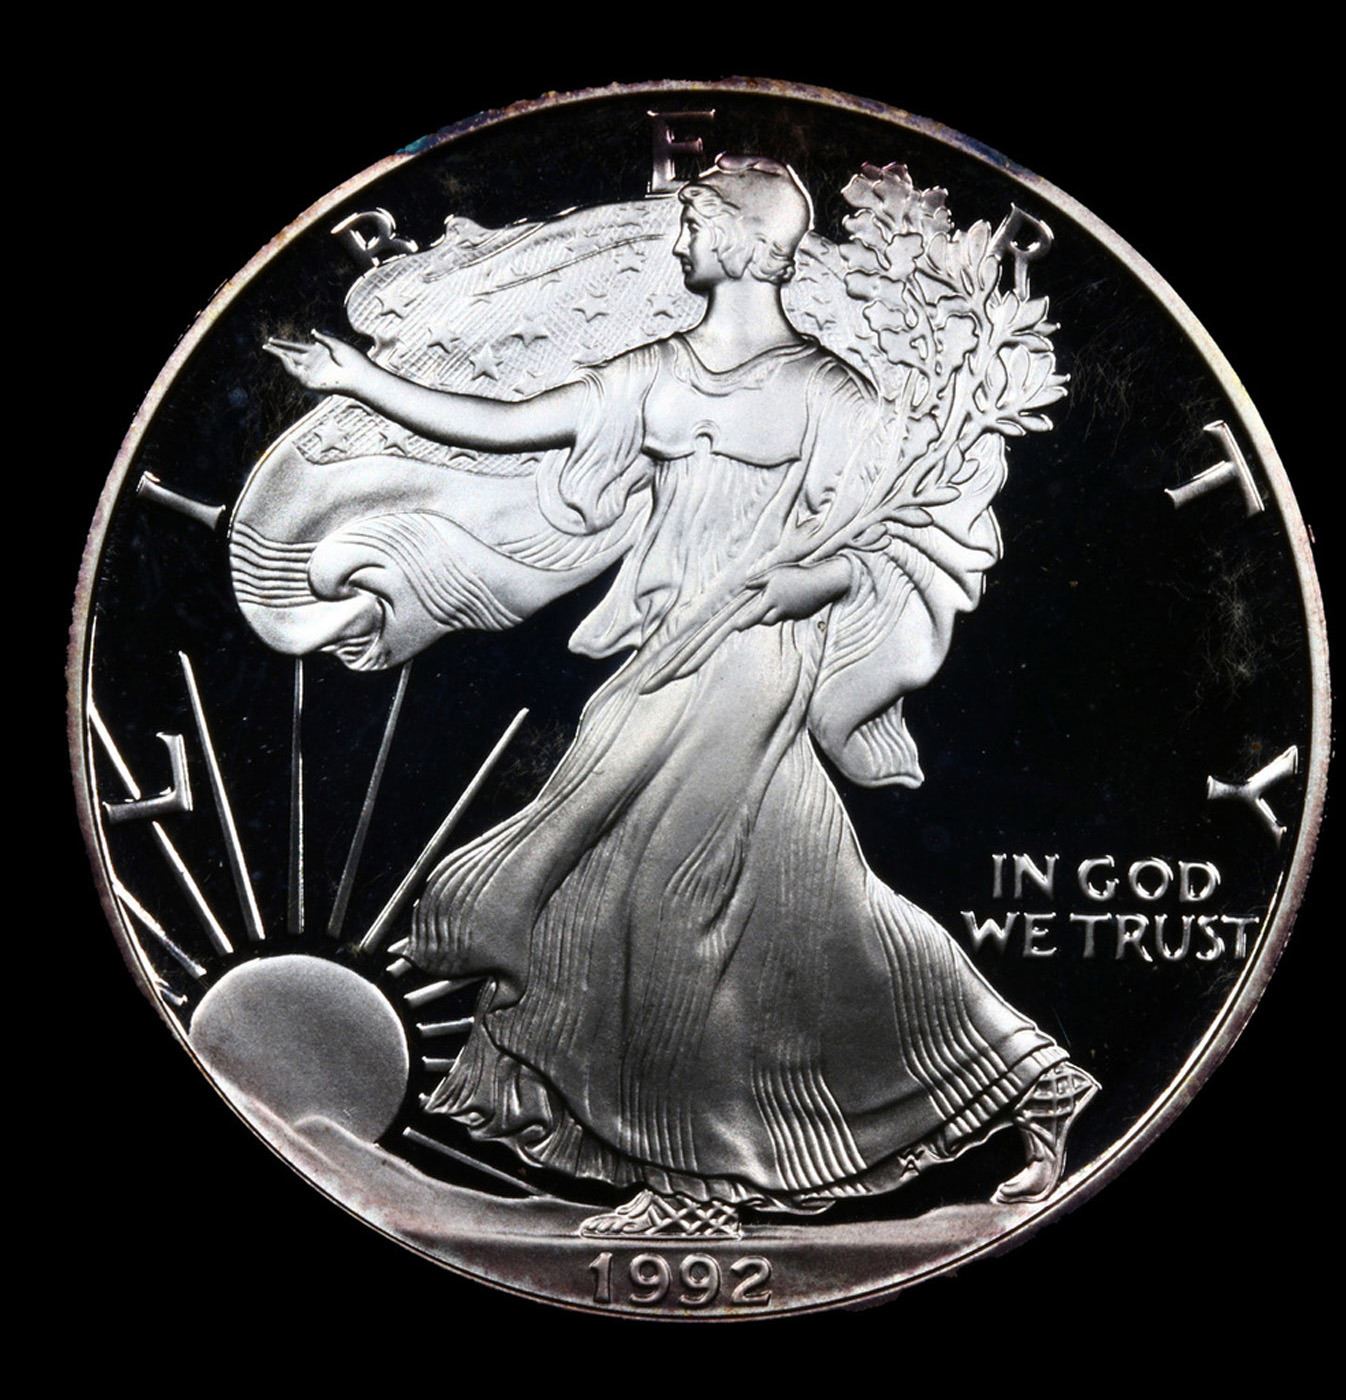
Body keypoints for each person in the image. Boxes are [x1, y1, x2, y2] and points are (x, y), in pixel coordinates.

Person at [266, 154, 1096, 1239]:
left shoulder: (831, 394)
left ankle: (694, 1187)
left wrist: (810, 581)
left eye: (699, 221)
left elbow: (892, 541)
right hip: (663, 657)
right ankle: (1031, 1078)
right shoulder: (658, 372)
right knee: (814, 908)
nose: (680, 237)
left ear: (750, 244)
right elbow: (506, 421)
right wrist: (359, 383)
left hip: (753, 658)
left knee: (665, 898)